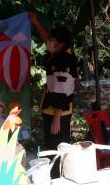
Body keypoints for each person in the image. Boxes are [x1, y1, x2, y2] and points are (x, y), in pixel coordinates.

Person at [30, 17, 79, 172]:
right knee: (52, 148)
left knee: (57, 149)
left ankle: (58, 177)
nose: (48, 43)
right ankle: (55, 176)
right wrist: (36, 22)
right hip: (51, 109)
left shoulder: (64, 60)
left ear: (61, 43)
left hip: (58, 112)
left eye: (52, 40)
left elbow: (62, 89)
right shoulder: (59, 55)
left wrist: (57, 117)